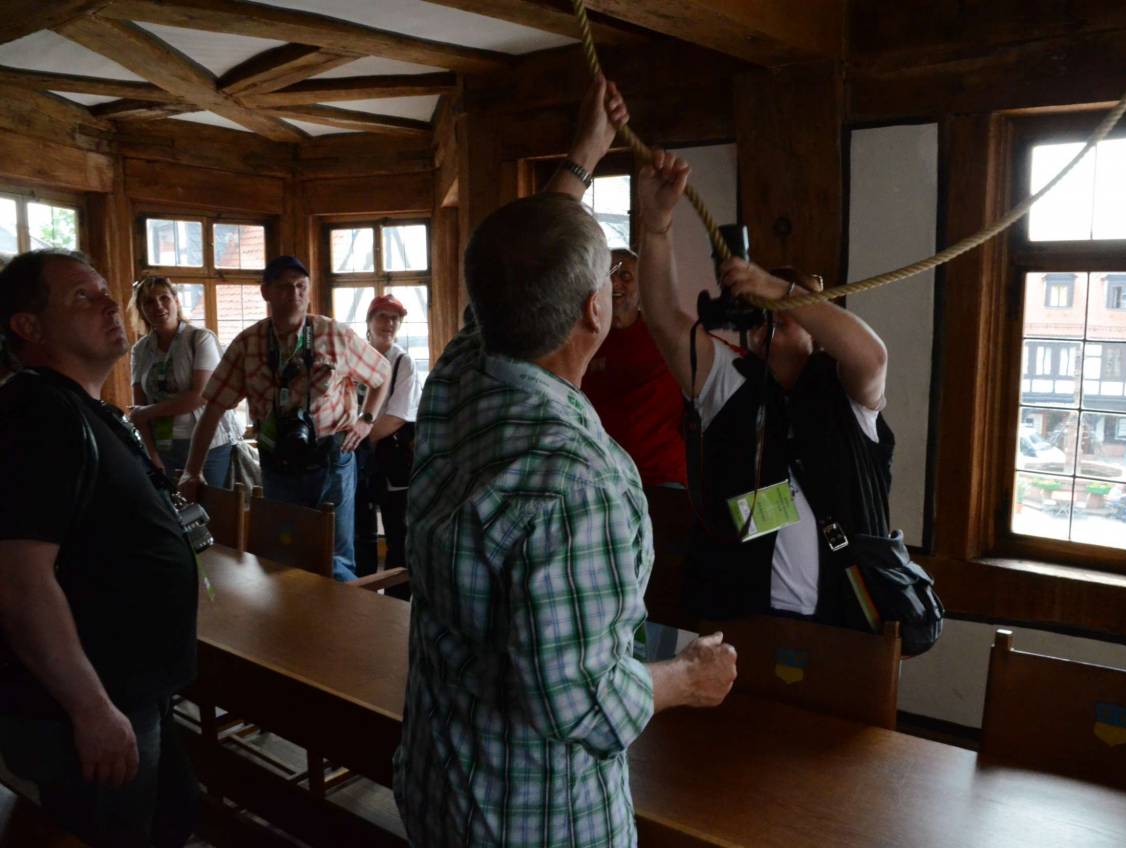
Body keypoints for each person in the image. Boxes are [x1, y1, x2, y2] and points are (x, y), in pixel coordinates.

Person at [394, 77, 738, 848]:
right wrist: (690, 680)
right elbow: (581, 704)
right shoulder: (583, 480)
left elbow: (507, 281)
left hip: (440, 788)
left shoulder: (453, 386)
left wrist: (584, 155)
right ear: (595, 309)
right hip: (537, 825)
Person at [635, 149, 894, 628]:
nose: (771, 319)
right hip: (743, 620)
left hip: (842, 627)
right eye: (764, 312)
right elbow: (664, 320)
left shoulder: (845, 397)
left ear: (816, 333)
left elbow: (871, 356)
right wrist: (655, 225)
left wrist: (778, 290)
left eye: (789, 314)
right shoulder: (731, 381)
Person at [0, 249, 200, 847]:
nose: (113, 304)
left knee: (172, 817)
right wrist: (90, 709)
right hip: (93, 705)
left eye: (107, 291)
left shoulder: (78, 408)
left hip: (134, 688)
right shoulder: (37, 415)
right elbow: (19, 581)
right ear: (29, 327)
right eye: (83, 297)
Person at [178, 256, 390, 582]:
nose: (294, 294)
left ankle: (338, 615)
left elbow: (381, 374)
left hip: (332, 459)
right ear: (266, 292)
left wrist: (367, 420)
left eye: (301, 286)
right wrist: (192, 470)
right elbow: (214, 409)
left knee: (336, 561)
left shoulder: (334, 335)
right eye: (284, 287)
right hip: (278, 464)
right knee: (284, 557)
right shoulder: (248, 344)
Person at [581, 247, 687, 488]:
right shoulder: (583, 338)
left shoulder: (665, 335)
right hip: (602, 477)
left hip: (662, 475)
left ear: (642, 288)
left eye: (625, 276)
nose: (615, 282)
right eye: (608, 275)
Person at [128, 275, 242, 486]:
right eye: (149, 302)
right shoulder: (140, 349)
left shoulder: (200, 338)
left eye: (164, 298)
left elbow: (200, 396)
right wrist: (152, 455)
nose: (158, 306)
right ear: (141, 310)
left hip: (209, 447)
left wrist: (148, 412)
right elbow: (139, 410)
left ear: (176, 301)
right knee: (171, 507)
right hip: (164, 448)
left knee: (208, 506)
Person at [353, 293, 420, 582]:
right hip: (357, 459)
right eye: (382, 316)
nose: (389, 323)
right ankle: (360, 595)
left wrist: (356, 441)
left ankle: (395, 601)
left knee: (398, 538)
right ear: (369, 321)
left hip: (392, 461)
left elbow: (397, 417)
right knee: (360, 536)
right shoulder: (354, 359)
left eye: (395, 318)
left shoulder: (403, 363)